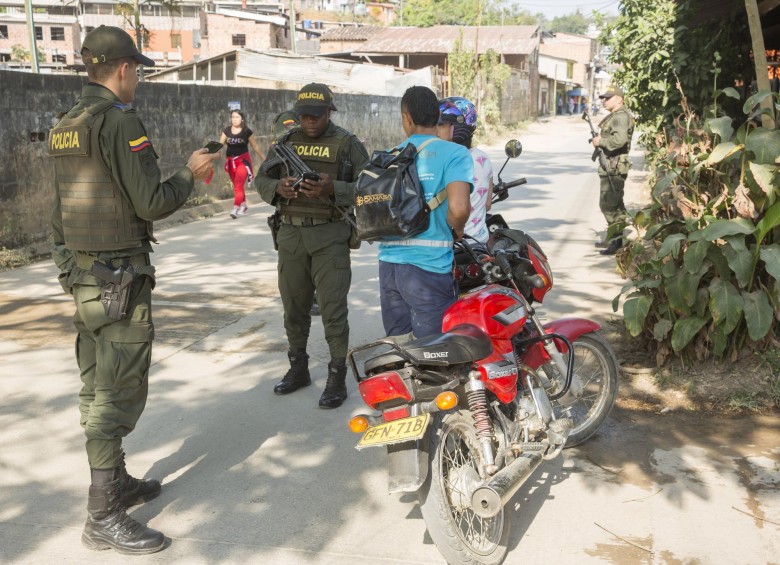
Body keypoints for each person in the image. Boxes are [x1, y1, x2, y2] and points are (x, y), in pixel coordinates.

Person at [49, 25, 217, 555]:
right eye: (137, 70)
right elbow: (151, 202)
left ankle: (114, 480)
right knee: (116, 392)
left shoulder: (67, 124)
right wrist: (191, 174)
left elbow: (58, 213)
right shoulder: (120, 122)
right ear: (124, 69)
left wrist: (69, 272)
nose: (138, 79)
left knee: (96, 383)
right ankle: (103, 513)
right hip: (119, 280)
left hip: (85, 279)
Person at [255, 83, 369, 409]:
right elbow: (260, 180)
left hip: (330, 236)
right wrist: (279, 187)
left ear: (329, 112)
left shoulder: (346, 144)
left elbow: (372, 186)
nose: (309, 121)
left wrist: (334, 189)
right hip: (291, 236)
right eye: (304, 115)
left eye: (316, 116)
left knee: (333, 310)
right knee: (294, 308)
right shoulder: (286, 143)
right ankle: (298, 368)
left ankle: (336, 376)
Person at [378, 86, 473, 342]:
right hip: (428, 268)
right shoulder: (455, 153)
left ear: (406, 118)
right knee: (434, 353)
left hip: (389, 267)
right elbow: (459, 208)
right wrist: (458, 228)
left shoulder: (388, 156)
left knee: (400, 349)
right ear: (436, 115)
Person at [437, 96, 494, 244]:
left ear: (455, 128)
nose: (435, 130)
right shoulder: (484, 158)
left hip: (454, 245)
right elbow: (487, 205)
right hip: (480, 242)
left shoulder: (444, 160)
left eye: (440, 125)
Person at [591, 84, 635, 255]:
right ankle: (616, 239)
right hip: (612, 165)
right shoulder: (616, 116)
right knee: (615, 205)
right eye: (603, 98)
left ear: (619, 99)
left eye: (608, 98)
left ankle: (617, 243)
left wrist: (599, 142)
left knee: (608, 206)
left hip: (614, 167)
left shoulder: (620, 117)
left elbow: (619, 141)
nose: (604, 101)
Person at [219, 110, 266, 219]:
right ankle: (244, 205)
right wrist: (211, 155)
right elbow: (219, 145)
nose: (234, 119)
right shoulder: (226, 131)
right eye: (233, 117)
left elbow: (256, 147)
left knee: (239, 185)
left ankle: (235, 208)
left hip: (243, 162)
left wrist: (264, 159)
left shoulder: (246, 132)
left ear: (242, 119)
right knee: (236, 186)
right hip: (230, 162)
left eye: (237, 117)